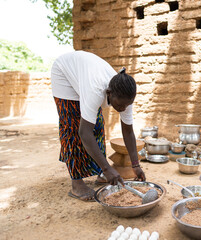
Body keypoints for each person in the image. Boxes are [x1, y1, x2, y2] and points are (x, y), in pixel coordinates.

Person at [51, 50, 146, 202]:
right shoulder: (96, 90)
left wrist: (136, 165)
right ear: (108, 93)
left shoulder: (125, 97)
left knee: (97, 126)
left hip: (85, 73)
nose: (123, 109)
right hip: (64, 74)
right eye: (120, 105)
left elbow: (128, 131)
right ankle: (77, 184)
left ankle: (101, 172)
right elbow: (84, 133)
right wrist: (108, 168)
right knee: (73, 127)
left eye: (127, 105)